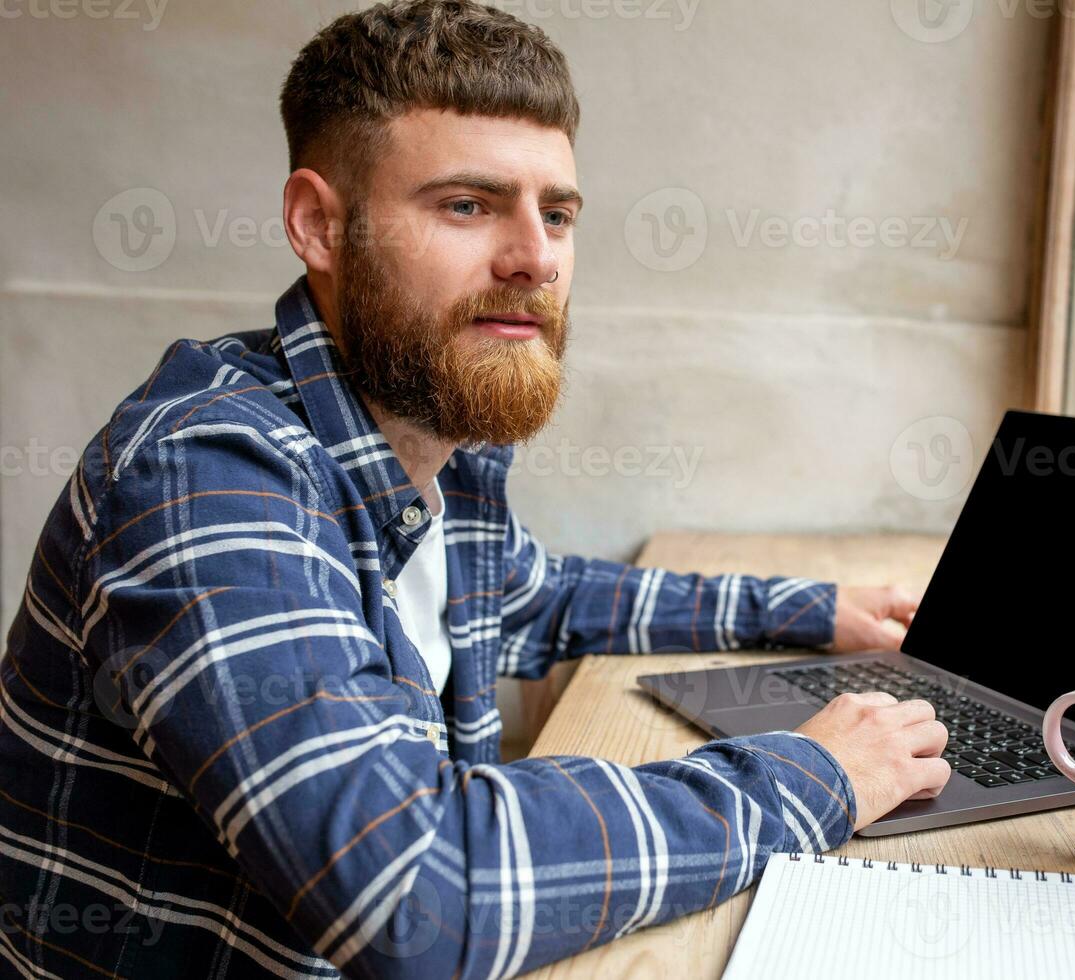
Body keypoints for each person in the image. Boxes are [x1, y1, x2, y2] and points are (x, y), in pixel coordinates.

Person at [0, 3, 950, 976]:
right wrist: (817, 773)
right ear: (319, 224)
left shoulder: (424, 446)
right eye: (467, 205)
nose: (535, 256)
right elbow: (419, 891)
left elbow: (536, 599)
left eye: (559, 212)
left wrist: (816, 608)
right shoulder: (207, 479)